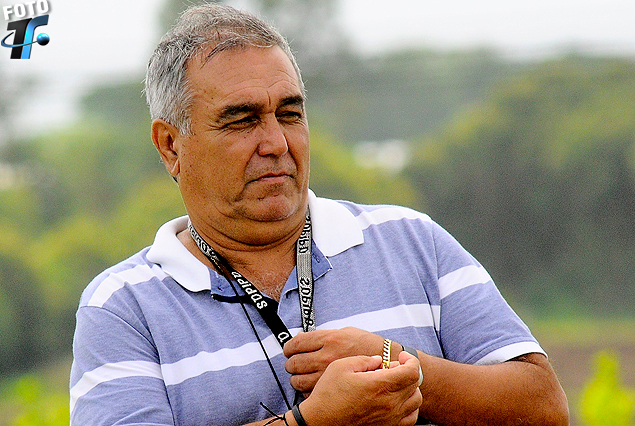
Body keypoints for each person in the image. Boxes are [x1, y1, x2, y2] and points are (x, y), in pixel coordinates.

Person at [69, 4, 569, 426]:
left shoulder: (412, 241)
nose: (276, 142)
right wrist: (311, 421)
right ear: (171, 146)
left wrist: (397, 364)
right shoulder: (123, 308)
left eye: (289, 114)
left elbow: (545, 408)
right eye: (241, 120)